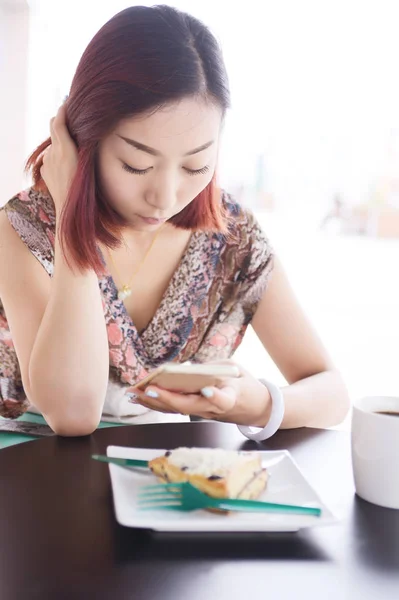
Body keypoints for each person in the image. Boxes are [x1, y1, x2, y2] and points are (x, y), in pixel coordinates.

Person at [0, 5, 349, 438]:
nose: (165, 197)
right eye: (136, 165)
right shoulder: (26, 227)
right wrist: (73, 215)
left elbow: (332, 394)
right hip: (31, 475)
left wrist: (250, 403)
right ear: (81, 137)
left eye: (195, 165)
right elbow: (73, 413)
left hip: (166, 479)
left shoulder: (230, 237)